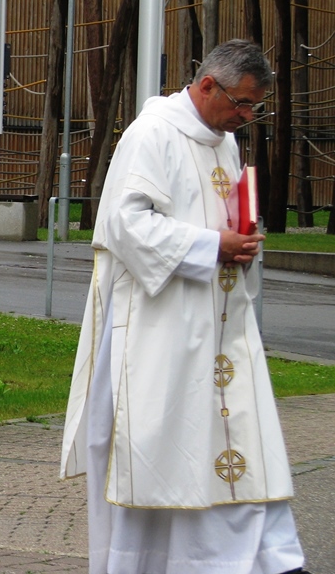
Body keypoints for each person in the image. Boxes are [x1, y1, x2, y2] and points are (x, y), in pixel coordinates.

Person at [60, 39, 309, 574]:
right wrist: (211, 245)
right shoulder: (151, 134)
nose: (245, 117)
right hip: (159, 330)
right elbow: (124, 224)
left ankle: (252, 560)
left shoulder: (225, 143)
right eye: (241, 103)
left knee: (233, 443)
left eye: (255, 107)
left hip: (218, 328)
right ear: (207, 85)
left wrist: (242, 240)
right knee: (163, 449)